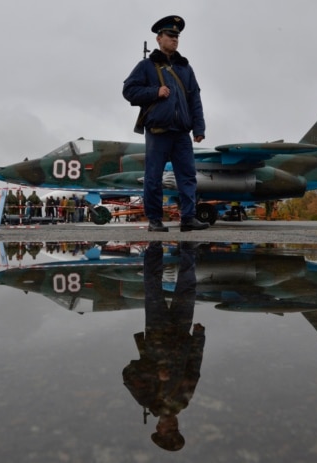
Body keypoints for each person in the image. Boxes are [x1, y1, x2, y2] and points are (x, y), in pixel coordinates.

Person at [123, 15, 209, 233]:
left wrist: (199, 128)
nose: (174, 39)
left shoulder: (185, 68)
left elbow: (194, 99)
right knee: (153, 177)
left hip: (181, 132)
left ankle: (188, 218)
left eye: (177, 36)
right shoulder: (146, 66)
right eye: (170, 36)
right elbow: (129, 91)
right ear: (159, 38)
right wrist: (155, 92)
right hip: (158, 131)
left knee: (187, 176)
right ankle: (155, 220)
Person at [123, 241, 205, 451]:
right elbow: (193, 370)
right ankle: (187, 248)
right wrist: (198, 337)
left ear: (159, 428)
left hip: (157, 332)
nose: (173, 427)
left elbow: (128, 372)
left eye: (169, 431)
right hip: (181, 333)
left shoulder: (147, 399)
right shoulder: (182, 401)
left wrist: (154, 373)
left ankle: (154, 246)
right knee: (187, 287)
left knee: (152, 285)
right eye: (176, 430)